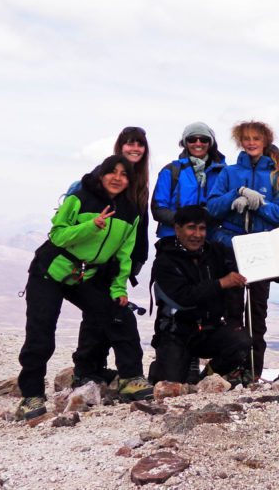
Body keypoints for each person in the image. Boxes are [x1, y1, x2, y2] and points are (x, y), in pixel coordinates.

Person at [16, 155, 153, 420]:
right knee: (41, 333)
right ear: (101, 174)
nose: (117, 178)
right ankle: (30, 396)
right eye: (111, 172)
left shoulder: (131, 212)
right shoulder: (79, 198)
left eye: (124, 174)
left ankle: (130, 378)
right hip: (51, 271)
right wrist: (90, 227)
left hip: (84, 277)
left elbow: (124, 255)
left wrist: (118, 289)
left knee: (119, 314)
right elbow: (57, 235)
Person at [206, 120, 279, 379]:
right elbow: (211, 208)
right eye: (247, 138)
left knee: (257, 312)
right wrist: (236, 195)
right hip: (232, 248)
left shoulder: (277, 174)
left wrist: (259, 203)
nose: (252, 142)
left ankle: (254, 371)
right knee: (232, 311)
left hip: (260, 250)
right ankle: (233, 369)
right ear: (240, 142)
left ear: (265, 142)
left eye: (256, 138)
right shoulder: (229, 173)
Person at [69, 126, 151, 386]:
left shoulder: (139, 181)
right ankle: (87, 369)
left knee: (105, 310)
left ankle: (91, 368)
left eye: (139, 144)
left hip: (119, 258)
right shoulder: (103, 175)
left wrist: (137, 257)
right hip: (98, 257)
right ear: (120, 147)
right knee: (101, 311)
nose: (134, 148)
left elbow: (139, 223)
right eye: (129, 143)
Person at [148, 206, 252, 386]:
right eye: (191, 227)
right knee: (170, 386)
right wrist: (220, 283)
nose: (197, 234)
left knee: (241, 342)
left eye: (202, 228)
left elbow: (246, 270)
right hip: (176, 333)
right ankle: (160, 368)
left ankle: (207, 379)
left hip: (208, 330)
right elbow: (183, 297)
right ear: (177, 229)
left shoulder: (215, 252)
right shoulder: (164, 261)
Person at [151, 122, 227, 240]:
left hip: (209, 240)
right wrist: (187, 221)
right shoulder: (170, 171)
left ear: (210, 143)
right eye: (192, 139)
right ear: (185, 142)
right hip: (172, 240)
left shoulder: (224, 172)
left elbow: (225, 207)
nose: (198, 143)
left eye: (203, 139)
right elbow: (158, 209)